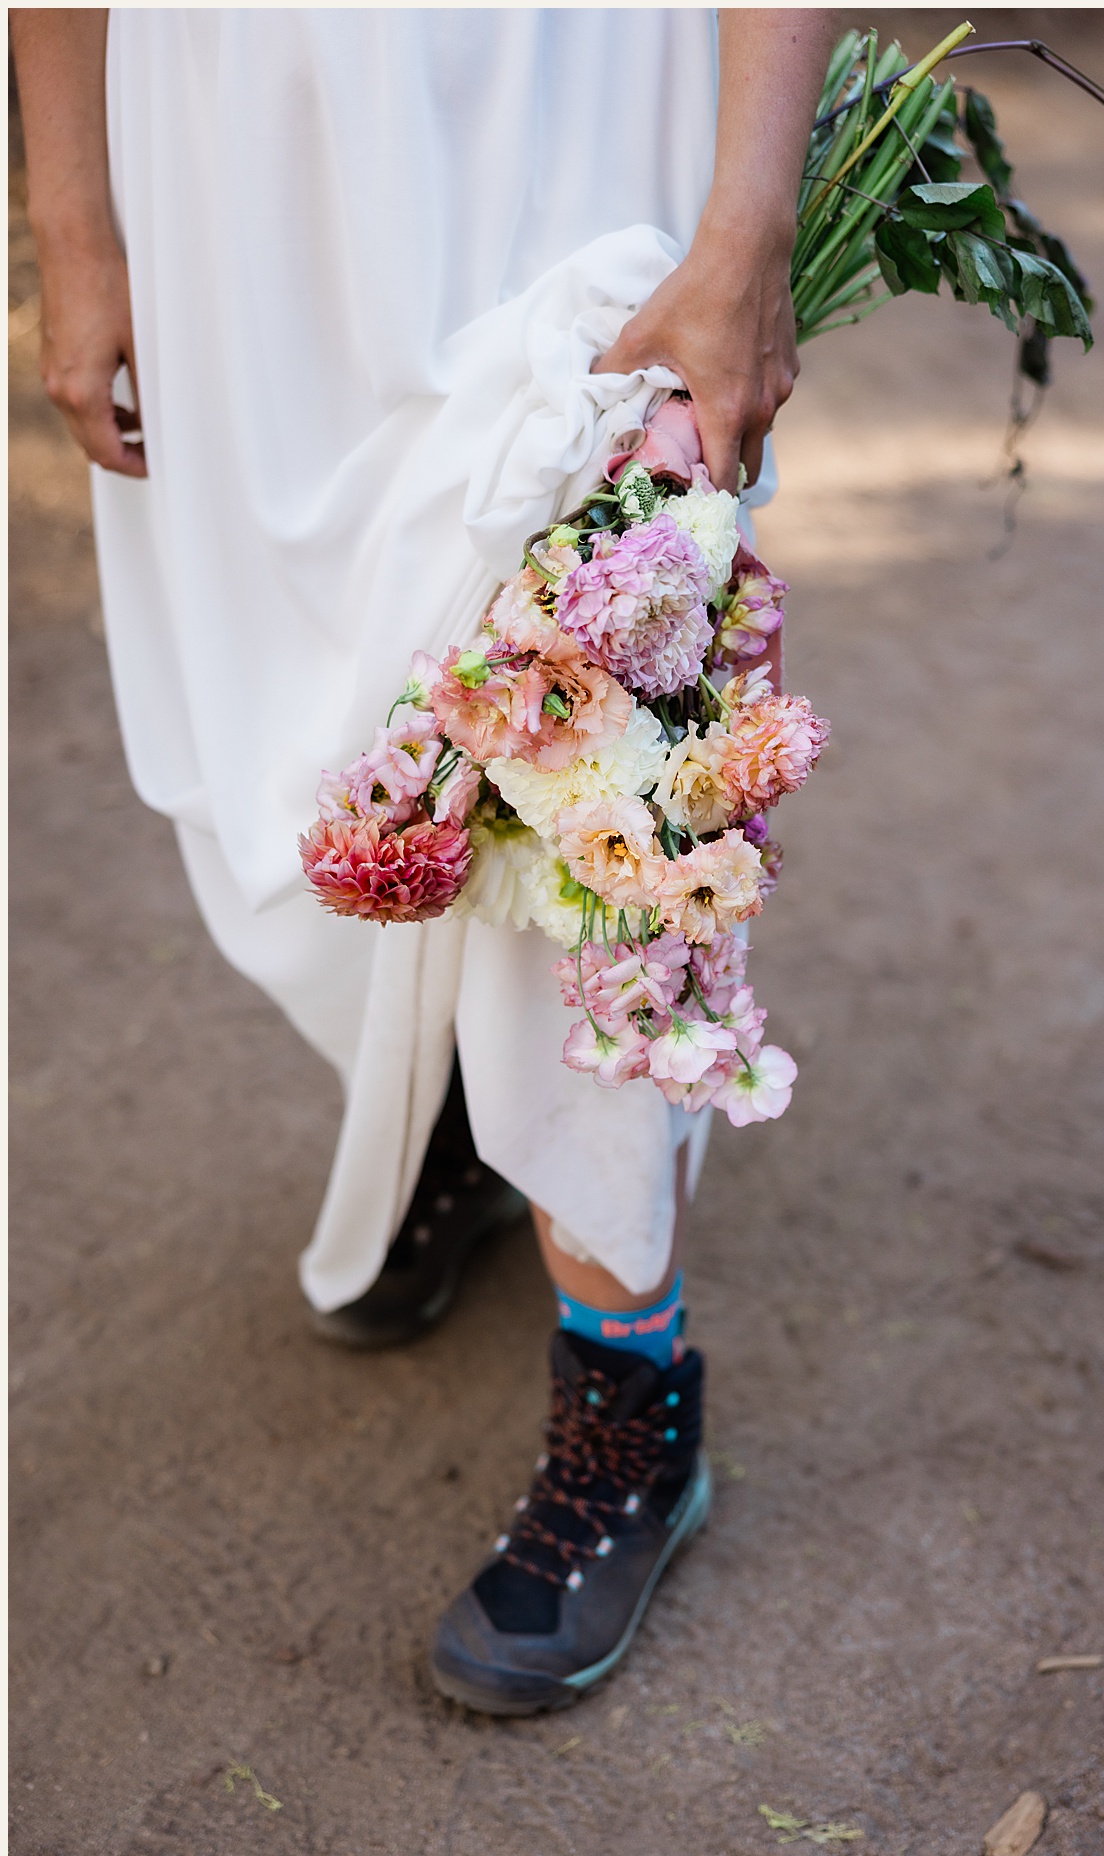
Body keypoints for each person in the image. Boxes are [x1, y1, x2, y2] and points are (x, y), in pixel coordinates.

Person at [15, 7, 840, 1716]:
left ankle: (634, 1394)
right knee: (329, 744)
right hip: (237, 188)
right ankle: (462, 1116)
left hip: (559, 108)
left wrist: (748, 227)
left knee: (579, 702)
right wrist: (76, 220)